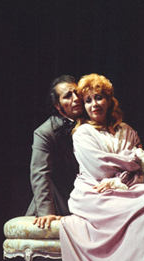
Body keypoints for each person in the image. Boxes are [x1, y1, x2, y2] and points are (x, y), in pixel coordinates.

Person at [41, 73, 144, 261]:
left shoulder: (126, 130)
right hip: (93, 194)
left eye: (98, 98)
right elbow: (101, 167)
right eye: (87, 101)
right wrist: (134, 159)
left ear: (108, 100)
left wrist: (128, 171)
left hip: (126, 186)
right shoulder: (82, 133)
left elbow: (138, 170)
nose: (93, 104)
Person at [26, 75, 83, 229]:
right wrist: (46, 212)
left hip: (87, 195)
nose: (76, 98)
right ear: (58, 106)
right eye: (68, 96)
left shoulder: (93, 122)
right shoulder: (45, 132)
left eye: (77, 93)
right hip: (59, 198)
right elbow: (40, 174)